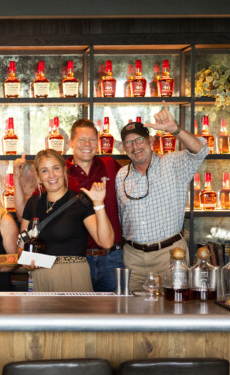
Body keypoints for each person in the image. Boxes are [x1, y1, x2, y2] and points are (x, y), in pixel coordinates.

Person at [116, 100, 209, 291]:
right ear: (124, 148)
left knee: (172, 311)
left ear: (151, 141)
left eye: (139, 140)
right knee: (131, 314)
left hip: (169, 255)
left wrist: (175, 129)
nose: (135, 146)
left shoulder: (173, 163)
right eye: (129, 143)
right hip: (132, 257)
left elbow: (200, 150)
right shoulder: (120, 175)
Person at [20, 150, 113, 292]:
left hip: (72, 276)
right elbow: (22, 245)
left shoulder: (81, 201)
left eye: (56, 168)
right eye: (45, 171)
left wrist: (99, 203)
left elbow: (106, 242)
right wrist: (26, 262)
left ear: (64, 171)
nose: (51, 175)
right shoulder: (33, 203)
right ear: (39, 177)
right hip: (39, 277)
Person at [66, 119, 124, 292]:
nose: (87, 144)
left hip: (112, 257)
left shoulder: (110, 165)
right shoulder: (60, 173)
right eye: (81, 139)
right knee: (79, 313)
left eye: (92, 140)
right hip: (78, 259)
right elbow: (33, 209)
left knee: (115, 313)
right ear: (70, 143)